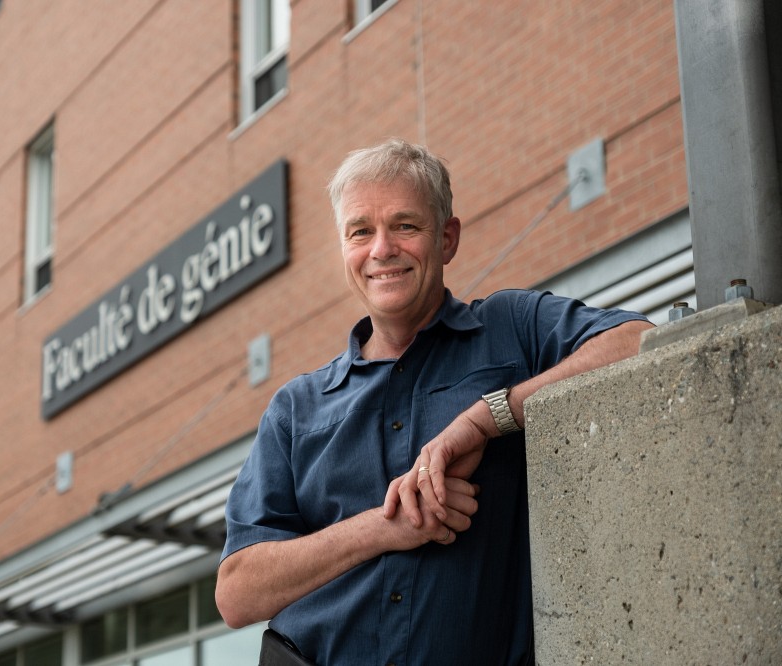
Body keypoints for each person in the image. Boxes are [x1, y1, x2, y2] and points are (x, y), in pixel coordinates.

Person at [215, 139, 653, 665]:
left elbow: (637, 341)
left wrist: (484, 419)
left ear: (447, 239)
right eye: (360, 231)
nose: (381, 249)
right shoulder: (296, 409)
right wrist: (386, 526)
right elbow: (237, 594)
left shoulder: (512, 330)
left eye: (405, 226)